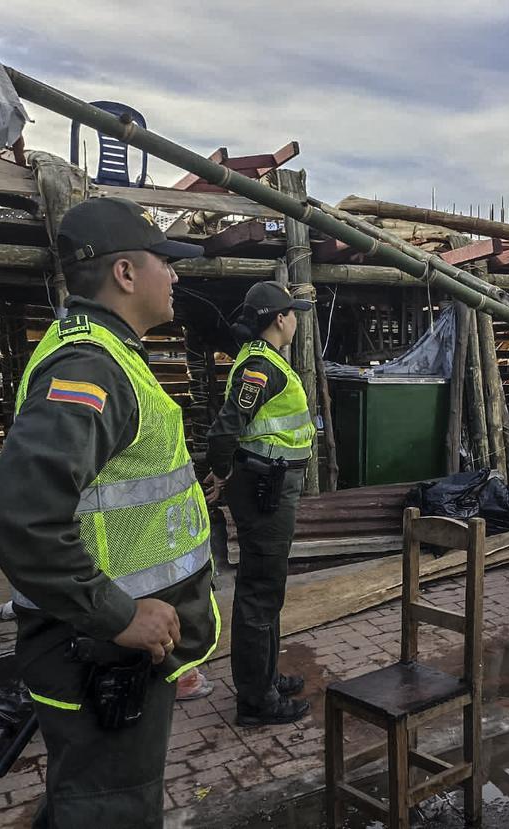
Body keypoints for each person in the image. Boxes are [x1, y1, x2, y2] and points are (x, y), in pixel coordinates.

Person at [0, 197, 219, 828]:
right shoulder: (91, 368)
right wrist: (117, 615)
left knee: (87, 804)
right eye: (165, 261)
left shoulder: (107, 353)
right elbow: (15, 516)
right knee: (109, 812)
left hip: (108, 651)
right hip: (99, 653)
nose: (175, 276)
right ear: (126, 274)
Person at [204, 281, 316, 727]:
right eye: (293, 313)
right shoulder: (260, 367)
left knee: (268, 587)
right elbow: (223, 431)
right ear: (279, 319)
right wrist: (224, 470)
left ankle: (266, 677)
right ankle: (256, 701)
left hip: (267, 484)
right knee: (260, 591)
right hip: (264, 488)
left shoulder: (265, 362)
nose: (296, 320)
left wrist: (227, 470)